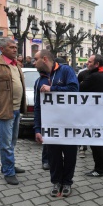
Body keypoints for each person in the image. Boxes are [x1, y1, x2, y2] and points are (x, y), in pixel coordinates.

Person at [33, 49, 79, 197]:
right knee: (54, 156)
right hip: (51, 126)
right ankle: (56, 182)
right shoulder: (39, 80)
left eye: (36, 59)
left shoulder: (65, 70)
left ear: (45, 59)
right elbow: (37, 106)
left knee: (70, 155)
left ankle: (67, 182)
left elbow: (74, 89)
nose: (34, 63)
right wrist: (37, 129)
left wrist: (52, 89)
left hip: (69, 124)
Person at [0, 39, 26, 185]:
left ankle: (8, 165)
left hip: (16, 109)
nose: (15, 50)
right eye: (11, 47)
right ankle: (8, 172)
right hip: (4, 110)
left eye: (16, 47)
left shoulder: (16, 64)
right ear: (2, 49)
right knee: (5, 143)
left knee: (12, 141)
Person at [80, 54, 103, 177]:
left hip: (94, 114)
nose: (87, 63)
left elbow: (80, 87)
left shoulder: (94, 76)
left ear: (97, 64)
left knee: (95, 142)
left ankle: (99, 169)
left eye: (89, 61)